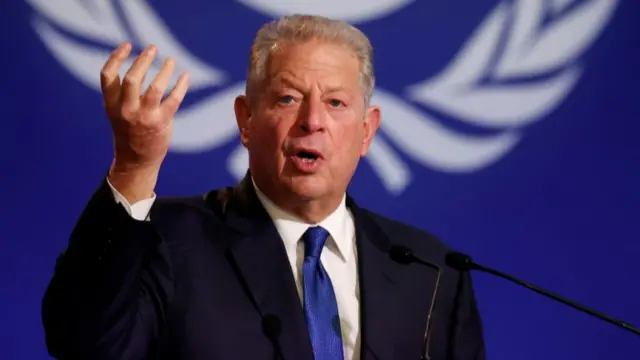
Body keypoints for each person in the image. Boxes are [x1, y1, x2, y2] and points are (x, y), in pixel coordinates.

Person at [41, 14, 485, 360]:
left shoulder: (430, 272)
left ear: (367, 132)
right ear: (246, 120)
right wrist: (135, 165)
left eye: (335, 102)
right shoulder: (171, 242)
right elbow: (87, 345)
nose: (312, 121)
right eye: (288, 98)